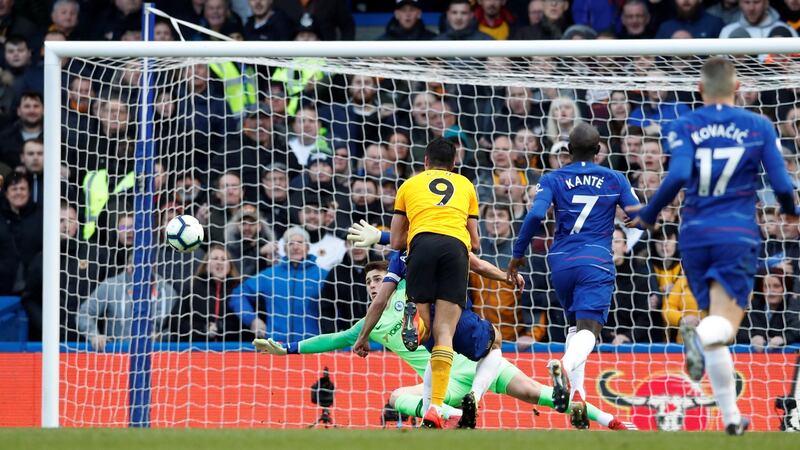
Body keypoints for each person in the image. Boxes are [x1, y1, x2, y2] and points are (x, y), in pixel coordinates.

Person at [628, 57, 800, 435]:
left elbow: (677, 175)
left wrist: (651, 213)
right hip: (735, 235)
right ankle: (697, 336)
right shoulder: (758, 125)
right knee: (721, 327)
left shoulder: (684, 124)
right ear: (737, 87)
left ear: (700, 89)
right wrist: (792, 211)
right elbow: (784, 187)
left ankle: (732, 418)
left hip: (693, 235)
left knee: (713, 322)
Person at [255, 260, 631, 430]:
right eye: (368, 282)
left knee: (538, 394)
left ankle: (609, 420)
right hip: (466, 367)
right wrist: (288, 348)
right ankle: (610, 419)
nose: (373, 285)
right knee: (542, 393)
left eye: (377, 278)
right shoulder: (368, 324)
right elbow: (331, 340)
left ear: (390, 280)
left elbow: (410, 253)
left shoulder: (408, 290)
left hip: (447, 378)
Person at [507, 123, 640, 427]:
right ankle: (564, 367)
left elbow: (537, 215)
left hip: (561, 262)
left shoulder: (553, 178)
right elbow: (640, 215)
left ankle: (578, 396)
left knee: (574, 326)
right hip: (595, 259)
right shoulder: (614, 178)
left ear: (567, 152)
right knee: (589, 330)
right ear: (599, 150)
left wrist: (517, 255)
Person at [371, 137, 479, 428]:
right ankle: (436, 408)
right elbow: (476, 242)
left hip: (419, 249)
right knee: (445, 333)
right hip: (456, 250)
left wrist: (422, 230)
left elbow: (395, 241)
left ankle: (417, 319)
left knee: (428, 326)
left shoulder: (408, 185)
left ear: (425, 163)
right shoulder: (466, 186)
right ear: (454, 165)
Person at [229, 226, 328, 342]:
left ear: (307, 247)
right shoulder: (270, 275)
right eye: (290, 243)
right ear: (285, 249)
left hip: (311, 346)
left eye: (300, 242)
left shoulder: (323, 275)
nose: (295, 247)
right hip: (277, 346)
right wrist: (252, 320)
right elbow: (238, 294)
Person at [172, 245, 244, 342]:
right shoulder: (193, 289)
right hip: (199, 349)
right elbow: (176, 322)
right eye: (215, 258)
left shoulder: (239, 289)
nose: (219, 262)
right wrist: (204, 329)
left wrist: (221, 327)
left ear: (230, 266)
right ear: (206, 265)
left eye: (223, 259)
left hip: (231, 349)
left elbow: (246, 323)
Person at [719, 0, 797, 38]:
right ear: (740, 4)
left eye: (756, 2)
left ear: (766, 3)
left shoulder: (786, 30)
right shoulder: (728, 31)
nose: (751, 8)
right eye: (746, 2)